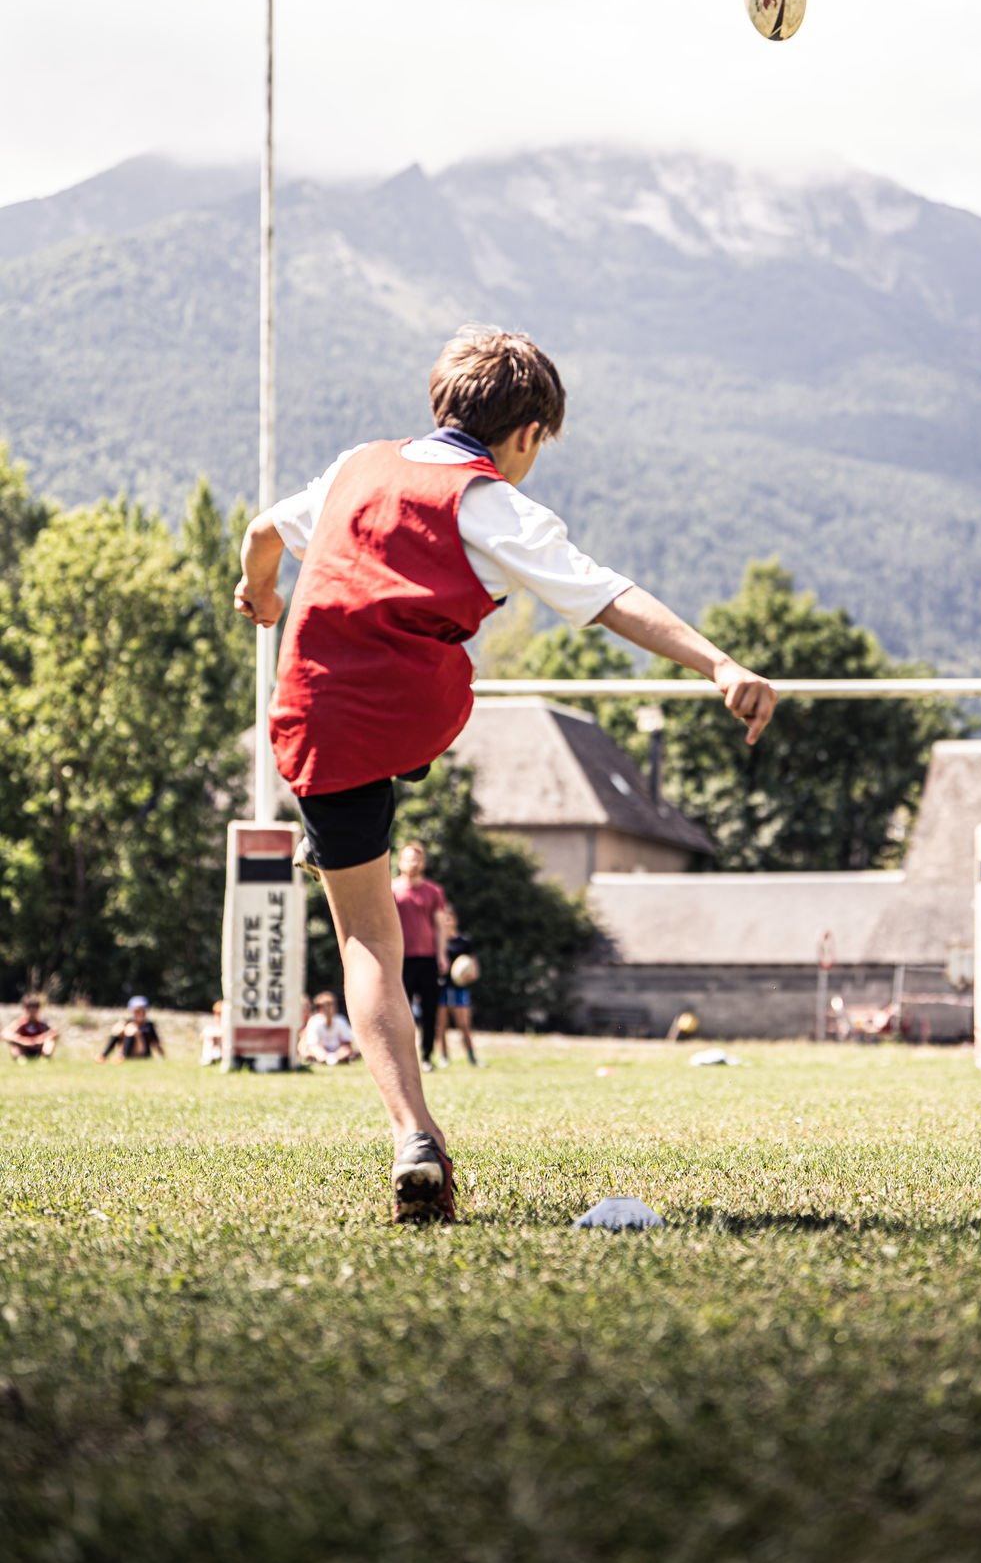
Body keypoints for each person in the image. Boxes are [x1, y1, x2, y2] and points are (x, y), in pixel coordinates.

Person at [234, 326, 776, 1224]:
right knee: (437, 680)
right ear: (526, 436)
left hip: (316, 717)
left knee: (365, 939)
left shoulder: (353, 469)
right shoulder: (489, 503)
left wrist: (262, 593)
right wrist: (718, 663)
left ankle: (414, 1134)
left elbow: (261, 533)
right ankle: (416, 1133)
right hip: (407, 706)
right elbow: (608, 597)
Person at [390, 843, 449, 1073]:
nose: (412, 863)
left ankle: (426, 1056)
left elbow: (440, 926)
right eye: (408, 859)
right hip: (400, 959)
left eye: (416, 859)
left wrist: (442, 955)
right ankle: (401, 1058)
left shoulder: (433, 892)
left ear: (423, 863)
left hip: (427, 958)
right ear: (400, 862)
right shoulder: (391, 889)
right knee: (400, 1010)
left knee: (429, 1011)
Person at [436, 907, 479, 1067]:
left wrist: (471, 975)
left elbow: (474, 965)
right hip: (441, 987)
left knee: (464, 1025)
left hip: (459, 988)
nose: (447, 921)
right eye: (444, 918)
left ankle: (471, 1056)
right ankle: (443, 1057)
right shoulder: (437, 942)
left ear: (455, 919)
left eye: (450, 917)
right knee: (441, 1025)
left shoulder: (464, 942)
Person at [298, 991, 359, 1066]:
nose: (329, 1009)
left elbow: (346, 1043)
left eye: (331, 1005)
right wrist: (325, 1056)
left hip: (338, 1051)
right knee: (307, 1051)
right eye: (326, 1006)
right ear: (319, 1008)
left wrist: (338, 1055)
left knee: (350, 1051)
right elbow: (313, 1044)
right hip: (319, 1051)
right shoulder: (314, 1021)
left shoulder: (340, 1020)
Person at [98, 996, 165, 1061]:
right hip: (129, 1051)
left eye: (141, 1011)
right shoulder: (127, 1023)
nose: (139, 1013)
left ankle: (123, 1056)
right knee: (119, 1028)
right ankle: (104, 1055)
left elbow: (156, 1043)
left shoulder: (148, 1026)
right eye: (136, 1011)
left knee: (132, 1030)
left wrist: (163, 1056)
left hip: (142, 1053)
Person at [3, 994, 58, 1061]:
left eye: (34, 1011)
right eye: (29, 1011)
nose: (32, 1014)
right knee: (13, 1044)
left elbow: (55, 1032)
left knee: (50, 1041)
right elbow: (5, 1033)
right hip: (24, 1048)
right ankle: (20, 1059)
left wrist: (38, 1039)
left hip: (38, 1048)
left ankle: (45, 1058)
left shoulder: (42, 1023)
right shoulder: (19, 1023)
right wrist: (23, 1040)